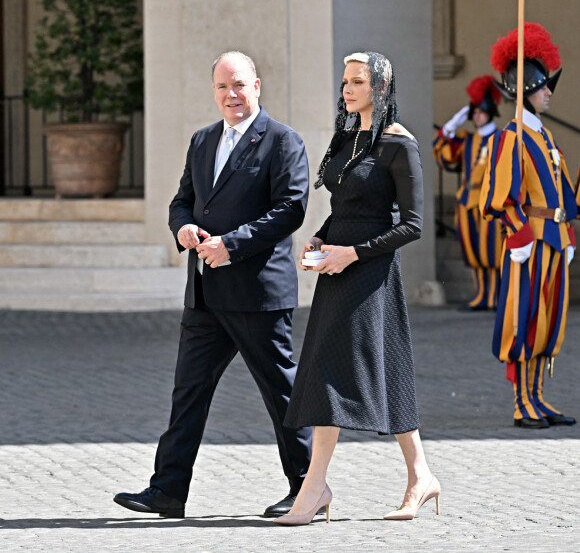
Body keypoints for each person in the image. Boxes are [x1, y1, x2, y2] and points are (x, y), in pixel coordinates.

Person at [114, 51, 313, 518]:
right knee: (188, 393)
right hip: (205, 294)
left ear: (257, 86)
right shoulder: (203, 140)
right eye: (223, 87)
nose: (232, 95)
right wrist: (182, 227)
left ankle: (307, 487)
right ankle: (167, 491)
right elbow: (182, 201)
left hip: (257, 293)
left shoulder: (283, 141)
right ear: (214, 91)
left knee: (281, 393)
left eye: (240, 85)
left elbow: (291, 209)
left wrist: (233, 245)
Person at [274, 51, 439, 526]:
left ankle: (313, 489)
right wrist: (323, 237)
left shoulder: (398, 145)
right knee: (367, 370)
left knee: (332, 369)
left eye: (359, 81)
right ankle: (419, 476)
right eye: (345, 81)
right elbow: (346, 203)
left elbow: (410, 225)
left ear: (381, 87)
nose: (348, 89)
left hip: (369, 273)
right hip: (336, 267)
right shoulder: (347, 137)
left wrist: (353, 252)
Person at [480, 23, 577, 429]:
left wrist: (568, 232)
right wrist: (519, 234)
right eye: (542, 87)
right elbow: (501, 196)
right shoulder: (512, 137)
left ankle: (538, 396)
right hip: (530, 242)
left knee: (549, 320)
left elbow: (560, 194)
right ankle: (522, 403)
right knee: (526, 320)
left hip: (553, 239)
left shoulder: (545, 137)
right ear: (524, 90)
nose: (549, 93)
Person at [433, 75, 503, 310]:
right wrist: (451, 125)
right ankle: (481, 294)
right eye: (474, 112)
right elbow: (444, 154)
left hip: (491, 203)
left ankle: (494, 295)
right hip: (466, 200)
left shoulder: (502, 139)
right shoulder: (467, 140)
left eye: (480, 112)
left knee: (492, 251)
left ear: (490, 112)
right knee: (473, 250)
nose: (476, 116)